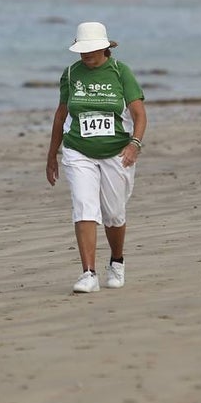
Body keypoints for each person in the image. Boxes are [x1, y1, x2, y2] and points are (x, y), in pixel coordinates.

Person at [46, 22, 147, 293]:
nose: (86, 54)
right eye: (82, 50)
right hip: (78, 149)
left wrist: (135, 144)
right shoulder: (70, 73)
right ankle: (88, 273)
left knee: (114, 213)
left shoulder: (120, 72)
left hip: (117, 152)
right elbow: (61, 115)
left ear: (105, 47)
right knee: (84, 207)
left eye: (91, 49)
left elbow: (139, 113)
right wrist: (51, 155)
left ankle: (116, 261)